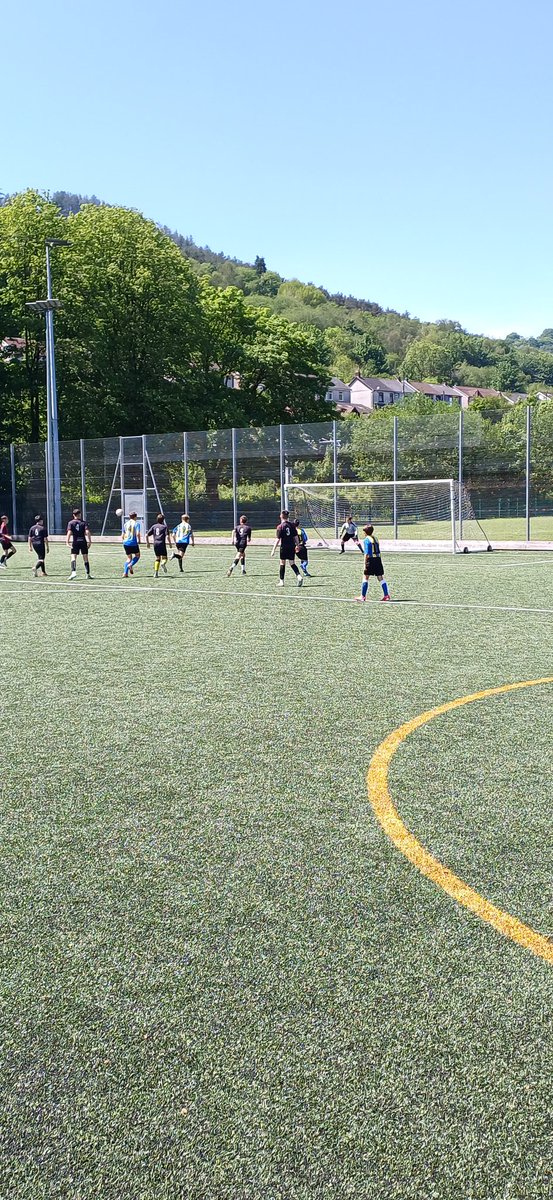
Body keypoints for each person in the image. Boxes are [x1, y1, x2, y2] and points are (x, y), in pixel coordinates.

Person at [355, 524, 391, 602]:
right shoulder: (376, 538)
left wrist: (365, 564)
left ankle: (363, 596)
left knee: (365, 577)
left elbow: (366, 553)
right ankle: (386, 595)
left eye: (364, 531)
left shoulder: (366, 540)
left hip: (370, 560)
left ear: (365, 532)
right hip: (378, 559)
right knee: (380, 577)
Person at [271, 510, 303, 587]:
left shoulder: (280, 526)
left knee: (282, 563)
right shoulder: (292, 525)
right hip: (291, 546)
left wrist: (273, 549)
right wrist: (298, 545)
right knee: (292, 563)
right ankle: (299, 576)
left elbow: (278, 539)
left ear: (281, 516)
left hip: (284, 547)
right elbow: (295, 537)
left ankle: (281, 581)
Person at [66, 508, 92, 579]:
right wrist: (89, 541)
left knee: (73, 557)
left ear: (73, 515)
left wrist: (67, 542)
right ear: (80, 514)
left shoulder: (71, 523)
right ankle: (88, 574)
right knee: (85, 557)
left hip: (75, 542)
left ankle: (73, 572)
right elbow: (87, 532)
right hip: (83, 541)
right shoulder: (84, 522)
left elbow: (69, 532)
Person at [122, 511, 141, 577]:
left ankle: (125, 573)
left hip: (125, 542)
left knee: (129, 558)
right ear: (135, 517)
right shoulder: (136, 524)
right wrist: (139, 540)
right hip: (133, 542)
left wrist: (123, 541)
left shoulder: (125, 524)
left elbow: (123, 534)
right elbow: (138, 533)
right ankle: (130, 565)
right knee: (137, 555)